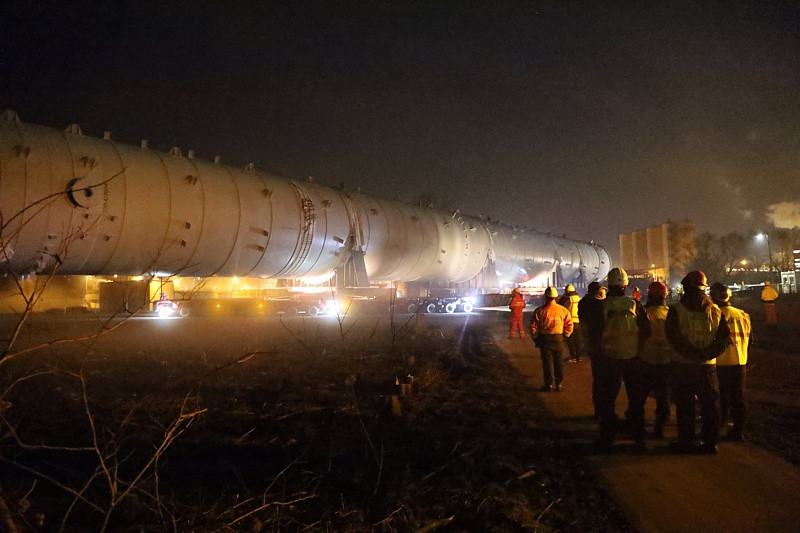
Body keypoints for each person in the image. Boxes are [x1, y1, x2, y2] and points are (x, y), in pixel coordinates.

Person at [665, 270, 730, 454]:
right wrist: (706, 354)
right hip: (707, 367)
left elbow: (673, 336)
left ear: (686, 287)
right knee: (710, 406)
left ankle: (686, 441)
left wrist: (692, 354)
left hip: (683, 365)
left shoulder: (676, 310)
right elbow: (724, 338)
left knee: (685, 405)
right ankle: (711, 443)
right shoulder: (716, 311)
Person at [594, 267, 651, 451]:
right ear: (625, 285)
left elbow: (595, 334)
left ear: (608, 285)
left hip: (609, 360)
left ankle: (607, 437)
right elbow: (646, 331)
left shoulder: (602, 306)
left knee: (608, 400)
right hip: (633, 358)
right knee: (635, 399)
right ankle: (638, 438)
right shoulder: (635, 305)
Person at [710, 282, 752, 442]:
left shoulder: (713, 313)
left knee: (719, 398)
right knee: (738, 398)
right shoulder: (742, 314)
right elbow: (750, 340)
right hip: (739, 361)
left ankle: (719, 424)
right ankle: (738, 431)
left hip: (718, 362)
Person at [634, 282, 672, 439]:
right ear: (665, 295)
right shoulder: (671, 313)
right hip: (665, 360)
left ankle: (638, 428)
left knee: (639, 396)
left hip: (645, 358)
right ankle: (660, 426)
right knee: (663, 397)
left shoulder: (643, 313)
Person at [530, 286, 573, 392]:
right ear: (555, 297)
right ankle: (559, 383)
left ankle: (548, 384)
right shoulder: (563, 310)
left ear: (545, 297)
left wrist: (535, 338)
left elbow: (533, 327)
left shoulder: (539, 311)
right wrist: (566, 335)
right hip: (558, 338)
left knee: (547, 363)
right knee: (558, 361)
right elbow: (569, 325)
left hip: (545, 339)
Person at [578, 281, 607, 418]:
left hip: (591, 344)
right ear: (596, 291)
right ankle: (603, 411)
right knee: (604, 379)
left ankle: (598, 410)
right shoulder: (597, 305)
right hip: (600, 345)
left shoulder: (583, 303)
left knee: (598, 378)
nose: (604, 293)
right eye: (602, 291)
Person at [558, 284, 582, 362]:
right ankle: (578, 357)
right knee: (577, 340)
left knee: (570, 340)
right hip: (578, 321)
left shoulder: (568, 298)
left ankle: (573, 356)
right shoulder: (579, 298)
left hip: (570, 321)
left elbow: (562, 307)